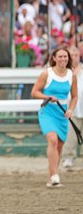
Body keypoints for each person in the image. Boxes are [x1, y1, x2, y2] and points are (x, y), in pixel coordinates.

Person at [31, 47, 77, 187]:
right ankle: (54, 177)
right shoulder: (47, 74)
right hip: (48, 112)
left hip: (62, 114)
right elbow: (34, 92)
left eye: (65, 57)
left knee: (59, 146)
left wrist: (70, 109)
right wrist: (47, 97)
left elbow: (75, 96)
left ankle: (53, 173)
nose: (63, 59)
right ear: (54, 58)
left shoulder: (71, 75)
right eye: (60, 56)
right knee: (52, 140)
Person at [62, 47, 83, 168]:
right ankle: (68, 157)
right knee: (70, 135)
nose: (74, 56)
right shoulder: (65, 71)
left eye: (76, 54)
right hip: (71, 108)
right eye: (72, 55)